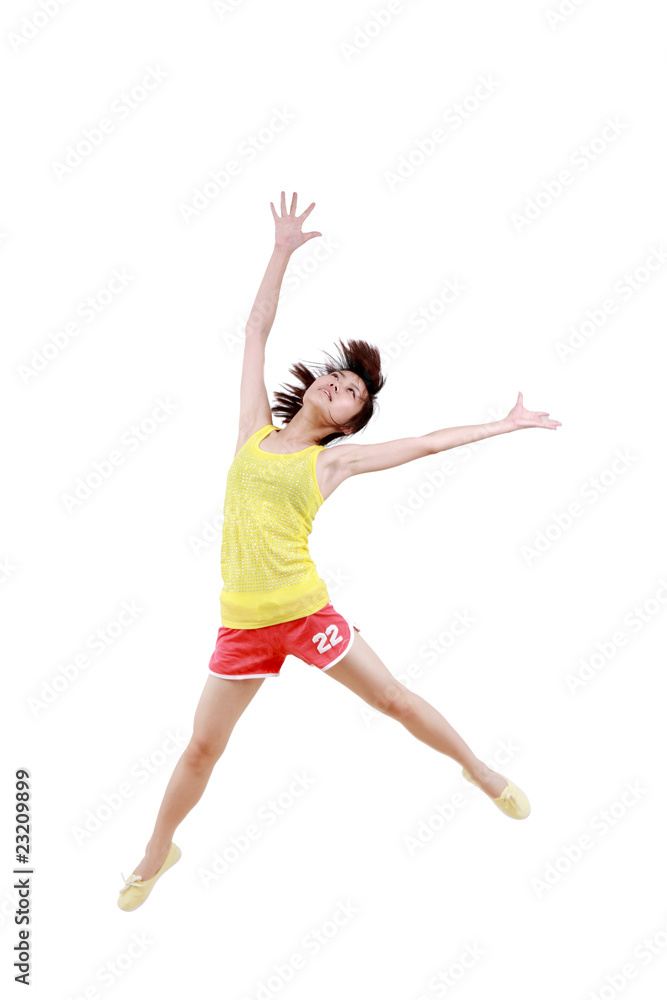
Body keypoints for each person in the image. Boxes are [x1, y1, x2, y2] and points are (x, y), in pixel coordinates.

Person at [117, 191, 562, 910]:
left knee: (390, 697)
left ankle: (476, 768)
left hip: (303, 610)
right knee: (201, 748)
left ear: (350, 421)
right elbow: (254, 332)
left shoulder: (332, 463)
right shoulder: (253, 430)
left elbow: (422, 444)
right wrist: (281, 252)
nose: (339, 385)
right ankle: (155, 850)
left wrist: (502, 425)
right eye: (338, 376)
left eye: (353, 392)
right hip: (241, 624)